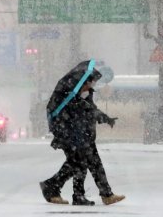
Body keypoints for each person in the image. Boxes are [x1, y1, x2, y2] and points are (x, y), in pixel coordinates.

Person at [40, 60, 125, 206]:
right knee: (77, 163)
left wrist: (104, 117)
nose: (92, 85)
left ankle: (102, 194)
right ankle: (52, 186)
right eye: (91, 82)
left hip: (83, 135)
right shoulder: (68, 95)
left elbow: (90, 110)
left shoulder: (84, 93)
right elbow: (82, 110)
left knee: (92, 162)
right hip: (69, 134)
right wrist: (96, 113)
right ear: (83, 81)